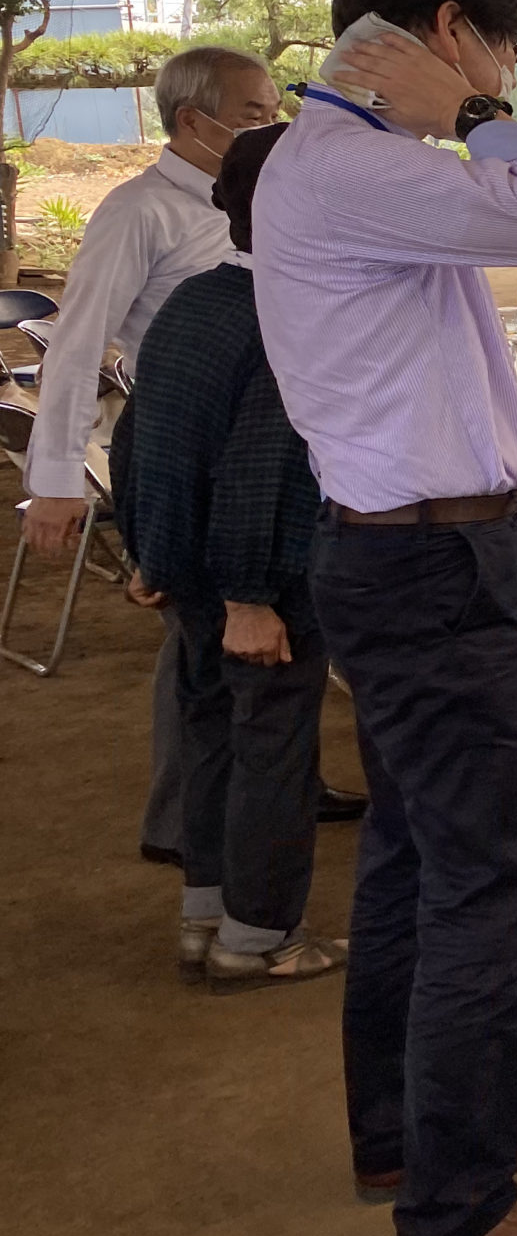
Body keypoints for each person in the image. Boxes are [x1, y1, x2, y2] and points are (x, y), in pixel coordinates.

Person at [254, 0, 517, 1236]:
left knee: (418, 859)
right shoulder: (355, 164)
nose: (508, 81)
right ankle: (460, 1208)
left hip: (408, 555)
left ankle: (410, 1140)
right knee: (490, 877)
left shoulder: (343, 164)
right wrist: (476, 116)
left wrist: (456, 115)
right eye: (505, 54)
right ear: (450, 28)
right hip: (427, 567)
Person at [21, 44, 294, 864]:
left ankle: (280, 790)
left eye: (275, 112)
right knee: (201, 639)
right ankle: (183, 828)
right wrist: (58, 479)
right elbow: (77, 342)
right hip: (182, 446)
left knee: (276, 639)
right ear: (193, 120)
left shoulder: (265, 198)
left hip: (268, 441)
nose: (271, 126)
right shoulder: (140, 210)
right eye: (253, 115)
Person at [113, 122, 340, 993]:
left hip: (188, 569)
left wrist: (150, 551)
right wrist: (252, 597)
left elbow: (139, 439)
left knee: (211, 734)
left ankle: (205, 916)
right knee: (273, 748)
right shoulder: (290, 318)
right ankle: (261, 937)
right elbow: (262, 464)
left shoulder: (197, 299)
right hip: (258, 579)